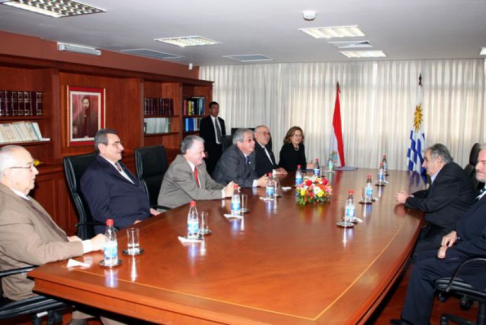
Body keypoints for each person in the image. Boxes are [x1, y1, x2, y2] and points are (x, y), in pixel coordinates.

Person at [0, 145, 119, 324]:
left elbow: (37, 234)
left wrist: (67, 240)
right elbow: (38, 253)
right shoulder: (6, 209)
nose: (37, 172)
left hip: (49, 267)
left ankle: (78, 318)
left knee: (109, 272)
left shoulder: (17, 195)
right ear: (8, 173)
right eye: (29, 166)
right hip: (33, 280)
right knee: (109, 289)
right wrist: (89, 245)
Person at [392, 144, 486, 325]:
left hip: (478, 264)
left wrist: (452, 250)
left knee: (421, 266)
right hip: (464, 241)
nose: (478, 167)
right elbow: (474, 219)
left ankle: (412, 322)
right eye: (478, 162)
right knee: (422, 258)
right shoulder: (483, 189)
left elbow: (483, 244)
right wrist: (456, 232)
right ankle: (414, 317)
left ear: (439, 160)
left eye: (484, 163)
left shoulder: (451, 175)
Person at [395, 143, 475, 254]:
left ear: (438, 160)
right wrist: (412, 196)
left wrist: (406, 200)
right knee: (404, 239)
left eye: (426, 160)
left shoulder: (449, 176)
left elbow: (430, 204)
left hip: (448, 230)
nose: (423, 165)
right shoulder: (448, 171)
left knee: (407, 249)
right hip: (440, 223)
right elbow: (431, 192)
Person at [81, 129, 159, 234]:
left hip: (143, 218)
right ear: (102, 147)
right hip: (121, 228)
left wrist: (149, 209)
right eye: (116, 144)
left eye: (120, 143)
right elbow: (100, 212)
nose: (122, 148)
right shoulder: (95, 174)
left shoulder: (118, 164)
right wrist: (133, 222)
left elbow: (132, 191)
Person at [157, 135, 235, 210]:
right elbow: (196, 193)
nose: (204, 155)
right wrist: (224, 193)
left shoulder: (200, 163)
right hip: (173, 211)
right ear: (188, 152)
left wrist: (226, 189)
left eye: (203, 151)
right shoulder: (178, 168)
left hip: (194, 206)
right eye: (200, 152)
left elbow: (210, 184)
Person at [199, 101, 226, 175]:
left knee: (220, 168)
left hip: (220, 148)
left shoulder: (221, 121)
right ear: (210, 109)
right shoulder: (204, 121)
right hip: (210, 149)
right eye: (214, 108)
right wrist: (205, 150)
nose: (216, 110)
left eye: (217, 108)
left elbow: (224, 135)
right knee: (211, 169)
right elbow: (202, 136)